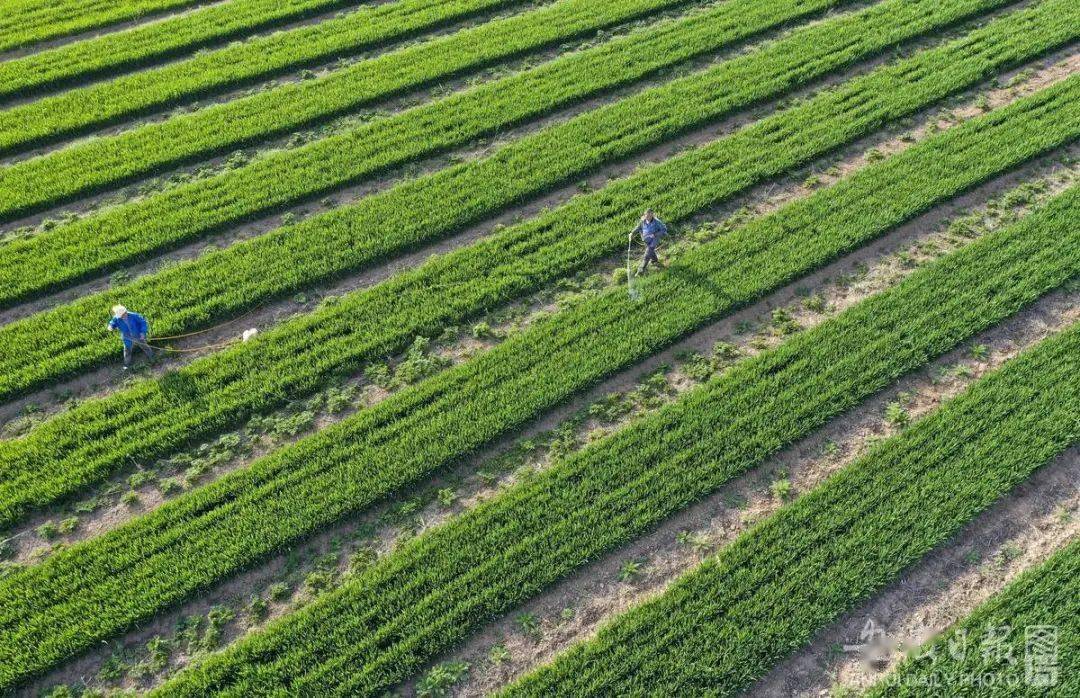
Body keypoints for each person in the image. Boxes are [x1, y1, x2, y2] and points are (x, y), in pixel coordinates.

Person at [106, 304, 154, 370]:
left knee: (144, 346)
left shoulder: (134, 315)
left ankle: (151, 356)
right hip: (127, 337)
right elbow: (113, 322)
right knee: (127, 350)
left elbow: (143, 322)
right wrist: (111, 326)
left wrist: (142, 332)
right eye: (121, 316)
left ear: (125, 312)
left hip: (138, 335)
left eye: (123, 315)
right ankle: (127, 364)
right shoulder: (117, 318)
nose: (122, 317)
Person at [631, 209, 668, 274]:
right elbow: (638, 227)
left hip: (654, 240)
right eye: (647, 216)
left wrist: (655, 234)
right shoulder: (642, 221)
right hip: (646, 240)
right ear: (645, 215)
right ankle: (654, 260)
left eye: (650, 215)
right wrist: (632, 233)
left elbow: (664, 229)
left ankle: (640, 270)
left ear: (652, 215)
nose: (648, 217)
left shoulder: (657, 222)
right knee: (651, 251)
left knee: (647, 255)